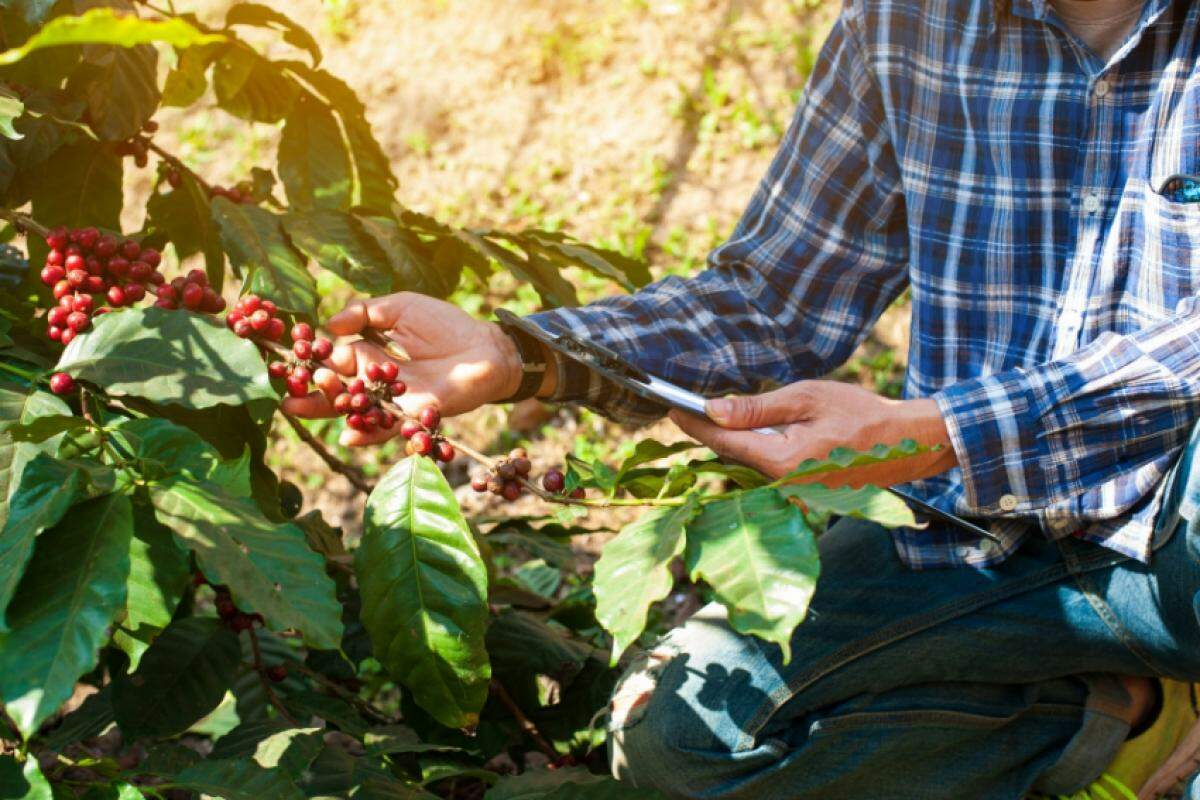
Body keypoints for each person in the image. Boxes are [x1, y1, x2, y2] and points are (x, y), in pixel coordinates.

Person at [286, 0, 1200, 795]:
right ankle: (1105, 716)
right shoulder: (908, 21)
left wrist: (946, 433)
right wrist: (521, 355)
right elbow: (774, 298)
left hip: (1179, 526)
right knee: (680, 735)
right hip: (983, 532)